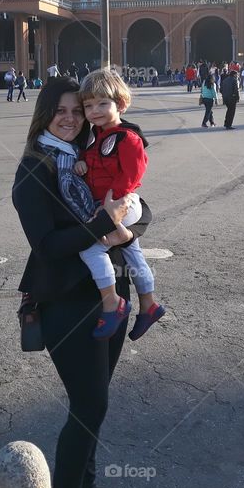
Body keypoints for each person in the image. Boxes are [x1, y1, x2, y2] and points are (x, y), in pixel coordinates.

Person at [12, 77, 150, 488]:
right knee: (89, 406)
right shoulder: (36, 167)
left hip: (112, 297)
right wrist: (103, 224)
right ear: (45, 115)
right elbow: (48, 245)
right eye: (61, 111)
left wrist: (127, 229)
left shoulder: (93, 155)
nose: (70, 119)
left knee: (94, 407)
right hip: (68, 302)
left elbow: (140, 209)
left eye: (77, 110)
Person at [73, 69, 165, 339]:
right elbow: (92, 163)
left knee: (91, 249)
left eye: (103, 103)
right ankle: (149, 304)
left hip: (123, 202)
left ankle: (112, 304)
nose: (94, 111)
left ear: (120, 104)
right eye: (88, 105)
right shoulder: (94, 136)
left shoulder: (128, 137)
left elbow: (133, 174)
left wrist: (110, 204)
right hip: (111, 203)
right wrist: (81, 163)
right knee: (132, 251)